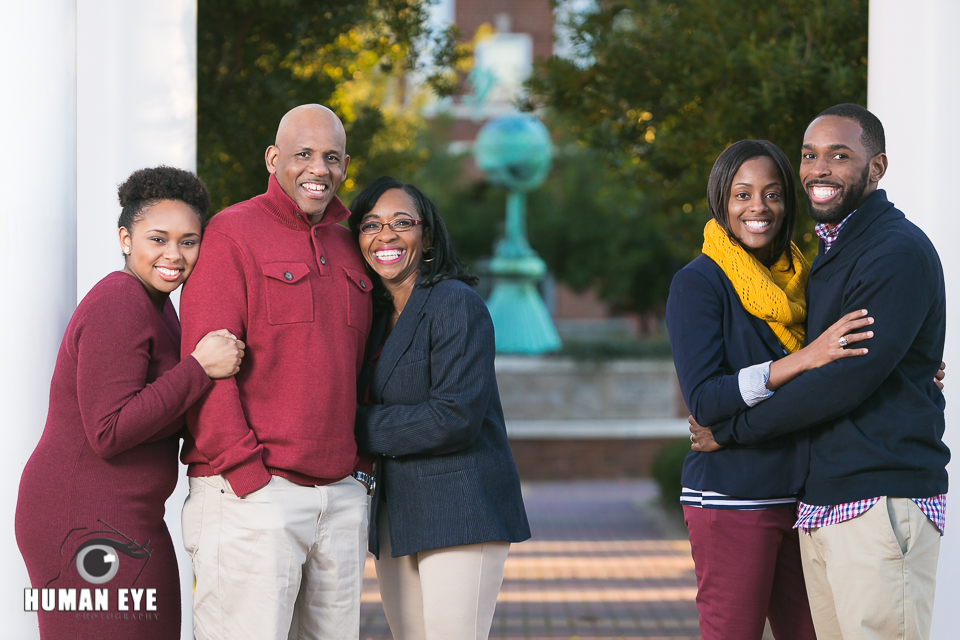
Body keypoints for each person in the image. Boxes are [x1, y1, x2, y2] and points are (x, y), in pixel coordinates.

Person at [690, 104, 948, 640]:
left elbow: (841, 380)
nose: (818, 168)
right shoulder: (830, 255)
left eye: (839, 155)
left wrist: (732, 431)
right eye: (809, 155)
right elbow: (835, 364)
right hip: (825, 501)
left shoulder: (893, 251)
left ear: (876, 168)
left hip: (879, 498)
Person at [15, 166, 245, 639]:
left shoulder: (159, 308)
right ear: (126, 238)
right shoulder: (119, 302)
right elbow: (109, 430)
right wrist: (199, 367)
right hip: (81, 513)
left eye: (188, 241)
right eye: (157, 238)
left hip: (125, 514)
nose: (173, 255)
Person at [666, 140, 878, 640]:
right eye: (742, 194)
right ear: (721, 199)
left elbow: (842, 363)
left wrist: (909, 367)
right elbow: (706, 400)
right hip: (732, 495)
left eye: (773, 194)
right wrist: (803, 358)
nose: (758, 207)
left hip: (803, 497)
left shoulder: (809, 280)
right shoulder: (699, 283)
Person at [178, 104, 375, 640]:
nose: (319, 169)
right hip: (252, 498)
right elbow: (206, 366)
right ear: (273, 159)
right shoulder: (230, 234)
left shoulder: (352, 245)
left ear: (346, 165)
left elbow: (363, 368)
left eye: (331, 157)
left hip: (338, 499)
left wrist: (359, 471)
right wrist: (248, 478)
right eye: (304, 154)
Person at [349, 176, 531, 640]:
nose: (385, 235)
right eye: (371, 224)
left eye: (401, 222)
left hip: (460, 508)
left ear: (425, 234)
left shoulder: (455, 303)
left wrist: (346, 427)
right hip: (395, 514)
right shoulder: (371, 316)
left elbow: (453, 417)